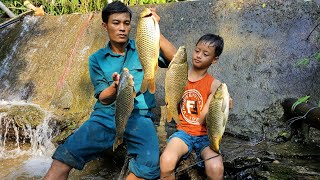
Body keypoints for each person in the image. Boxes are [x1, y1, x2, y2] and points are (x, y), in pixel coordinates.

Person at [44, 1, 176, 180]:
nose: (122, 28)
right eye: (116, 23)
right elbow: (103, 99)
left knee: (150, 166)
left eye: (126, 23)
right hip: (104, 117)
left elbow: (175, 60)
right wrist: (115, 87)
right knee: (62, 159)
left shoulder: (143, 46)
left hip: (139, 117)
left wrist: (154, 29)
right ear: (105, 26)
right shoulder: (96, 59)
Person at [160, 34, 229, 180]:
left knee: (216, 168)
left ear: (214, 59)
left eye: (205, 54)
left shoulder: (215, 85)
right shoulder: (179, 75)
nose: (199, 56)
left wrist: (226, 103)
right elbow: (170, 53)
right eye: (197, 51)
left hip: (205, 137)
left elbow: (204, 119)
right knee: (166, 161)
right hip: (183, 133)